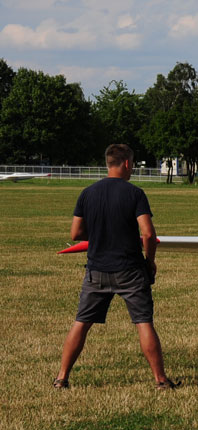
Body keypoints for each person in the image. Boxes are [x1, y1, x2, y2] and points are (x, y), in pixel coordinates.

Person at [55, 144, 176, 389]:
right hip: (129, 269)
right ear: (127, 164)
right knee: (143, 322)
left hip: (96, 270)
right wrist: (150, 261)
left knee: (82, 322)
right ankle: (161, 380)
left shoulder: (87, 193)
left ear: (108, 162)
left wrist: (100, 231)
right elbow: (149, 234)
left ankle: (61, 377)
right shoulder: (135, 194)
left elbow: (76, 232)